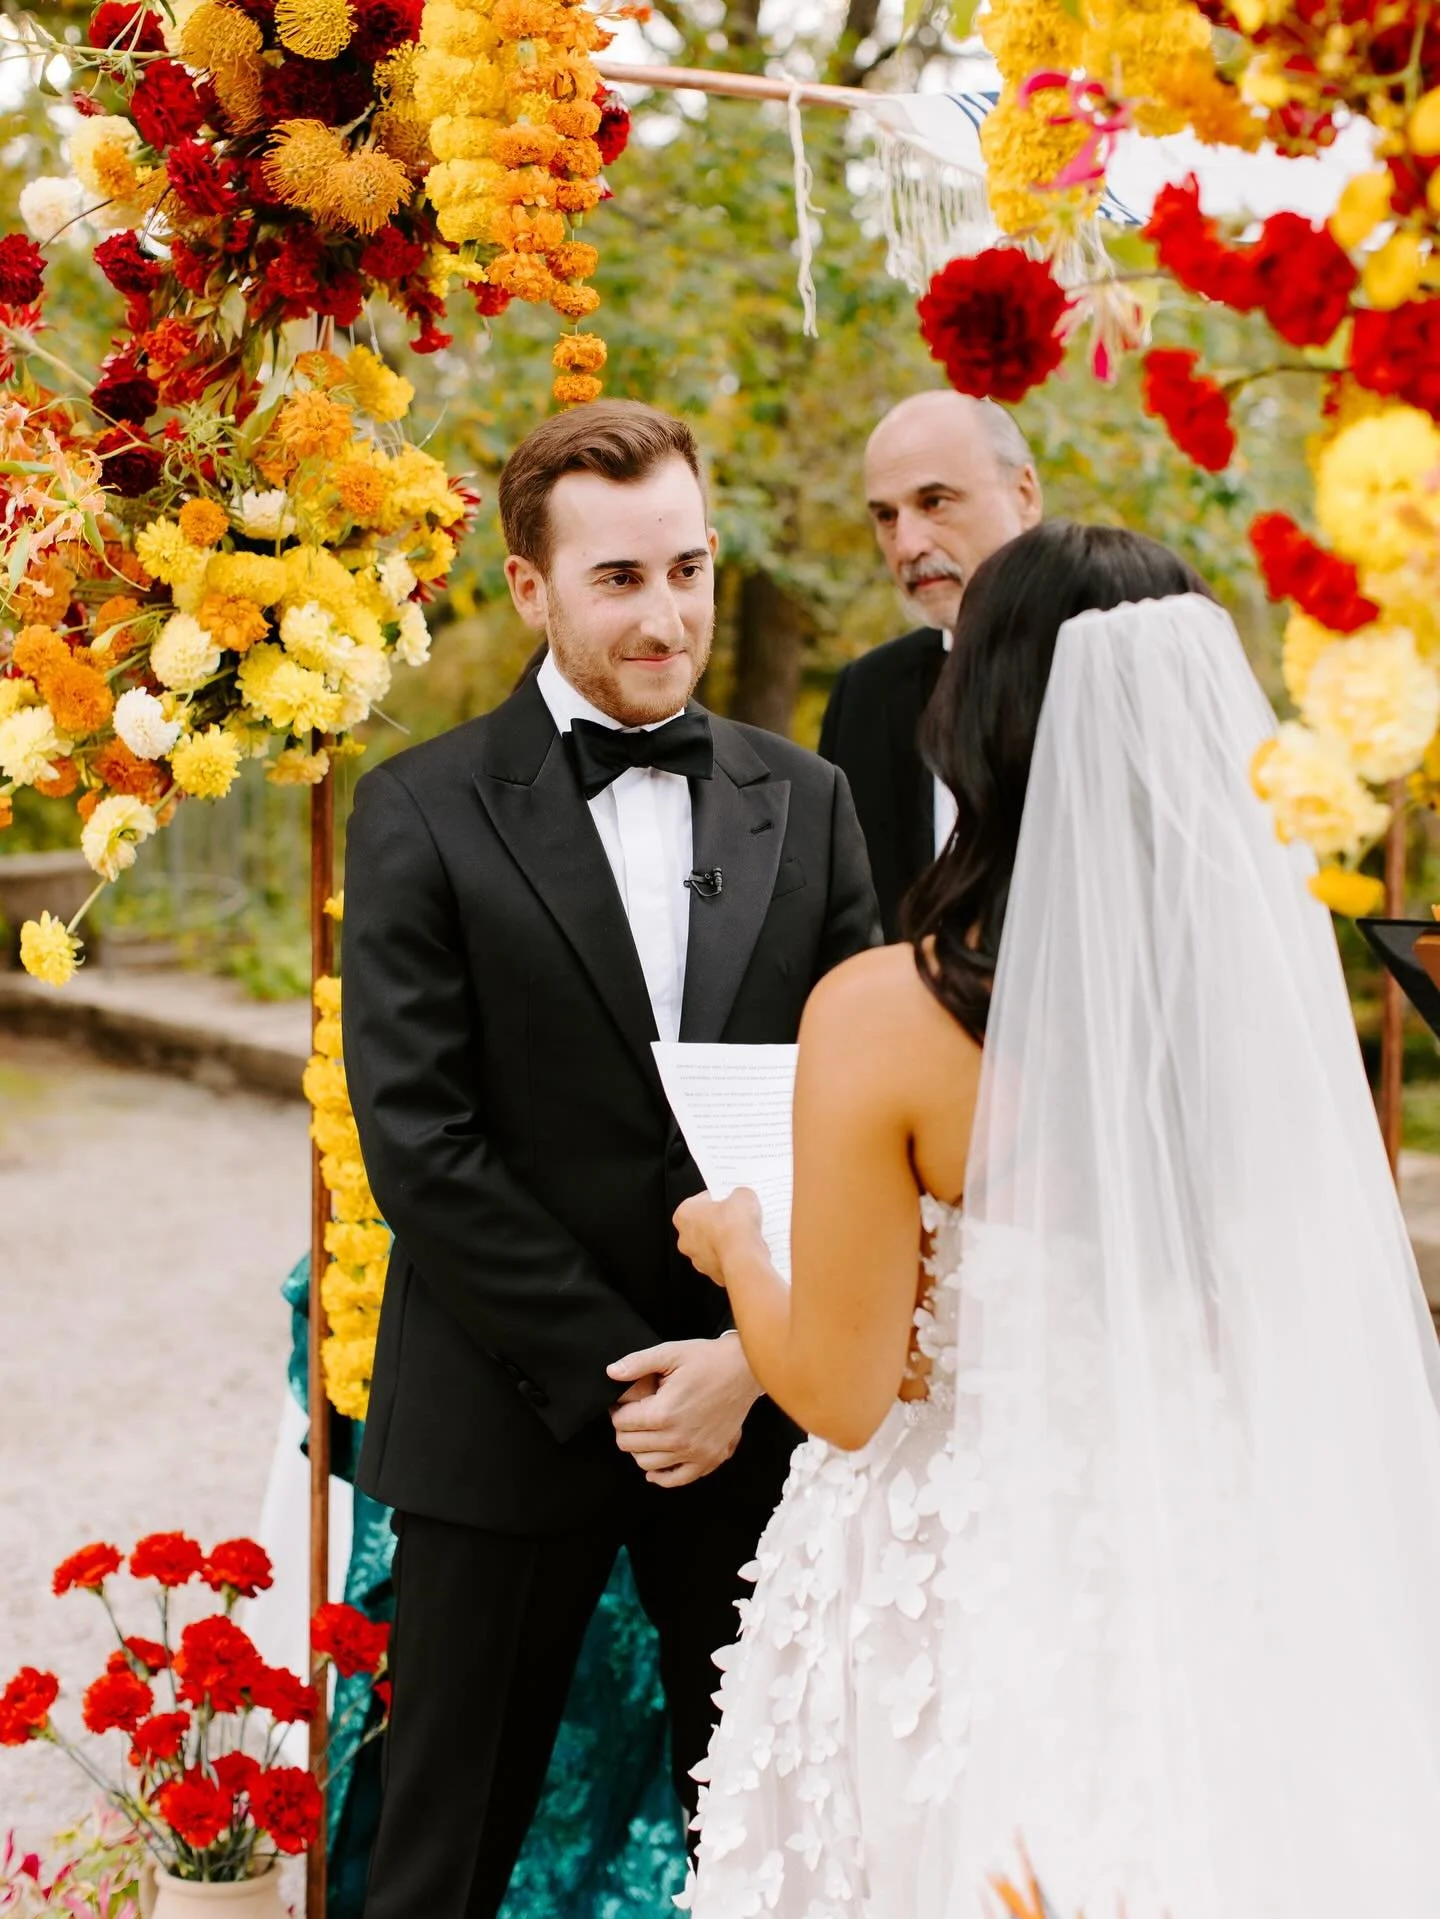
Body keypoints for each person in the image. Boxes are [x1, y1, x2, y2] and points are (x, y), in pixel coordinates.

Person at [676, 520, 1440, 1917]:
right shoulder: (1256, 1009)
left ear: (978, 724)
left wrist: (739, 1247)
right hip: (1194, 1538)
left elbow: (842, 1394)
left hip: (943, 1578)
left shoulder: (882, 1013)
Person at [341, 399, 880, 1919]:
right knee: (438, 1852)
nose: (670, 614)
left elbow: (858, 1112)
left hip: (763, 1419)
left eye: (691, 569)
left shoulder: (816, 801)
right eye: (621, 579)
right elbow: (421, 1142)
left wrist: (743, 1361)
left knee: (787, 1842)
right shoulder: (420, 809)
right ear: (527, 587)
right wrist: (637, 1373)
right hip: (507, 1415)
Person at [818, 391, 1042, 939]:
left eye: (935, 502)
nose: (908, 544)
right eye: (886, 517)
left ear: (1025, 495)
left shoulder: (1110, 666)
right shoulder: (865, 695)